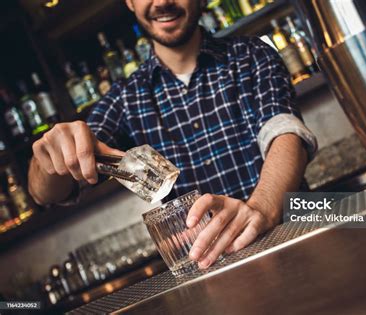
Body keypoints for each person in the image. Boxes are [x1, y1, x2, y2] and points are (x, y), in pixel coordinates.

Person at [28, 0, 317, 269]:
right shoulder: (125, 99)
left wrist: (262, 209)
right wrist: (49, 159)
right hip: (214, 269)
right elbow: (47, 193)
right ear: (129, 2)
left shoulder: (252, 55)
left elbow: (284, 131)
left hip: (298, 240)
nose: (163, 2)